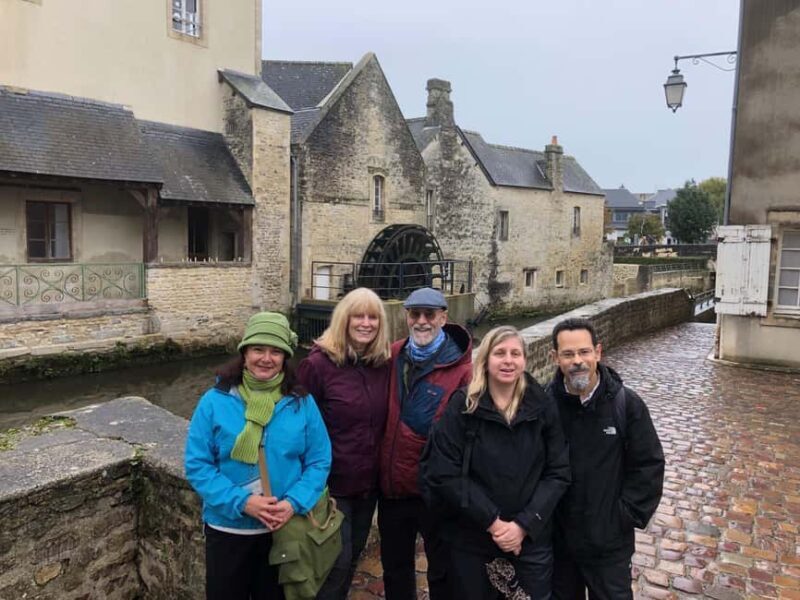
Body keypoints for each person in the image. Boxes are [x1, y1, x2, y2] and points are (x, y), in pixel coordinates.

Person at [185, 312, 332, 600]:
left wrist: (293, 503)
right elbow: (198, 465)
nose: (266, 358)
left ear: (285, 357)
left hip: (283, 533)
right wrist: (242, 502)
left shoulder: (301, 402)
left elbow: (319, 460)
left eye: (276, 351)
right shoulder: (215, 401)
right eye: (258, 349)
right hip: (228, 530)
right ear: (244, 353)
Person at [420, 325, 571, 600]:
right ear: (486, 360)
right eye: (500, 353)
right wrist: (493, 522)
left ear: (525, 360)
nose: (508, 360)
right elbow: (444, 472)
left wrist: (523, 525)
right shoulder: (463, 406)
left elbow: (558, 472)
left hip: (530, 539)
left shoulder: (542, 405)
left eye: (515, 353)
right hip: (472, 536)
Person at [547, 318, 665, 600]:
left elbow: (649, 465)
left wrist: (623, 517)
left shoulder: (626, 405)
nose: (578, 361)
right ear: (555, 358)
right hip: (560, 544)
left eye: (584, 352)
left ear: (597, 352)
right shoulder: (544, 406)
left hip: (609, 546)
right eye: (568, 354)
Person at [296, 288, 391, 600]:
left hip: (367, 486)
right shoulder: (318, 366)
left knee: (350, 560)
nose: (366, 323)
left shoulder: (382, 364)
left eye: (372, 317)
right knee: (332, 566)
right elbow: (297, 427)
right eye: (358, 316)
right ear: (343, 320)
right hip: (330, 487)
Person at [378, 287, 472, 600]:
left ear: (443, 318)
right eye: (414, 314)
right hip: (393, 489)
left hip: (434, 491)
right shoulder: (392, 354)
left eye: (429, 315)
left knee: (442, 570)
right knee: (395, 567)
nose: (421, 321)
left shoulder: (462, 370)